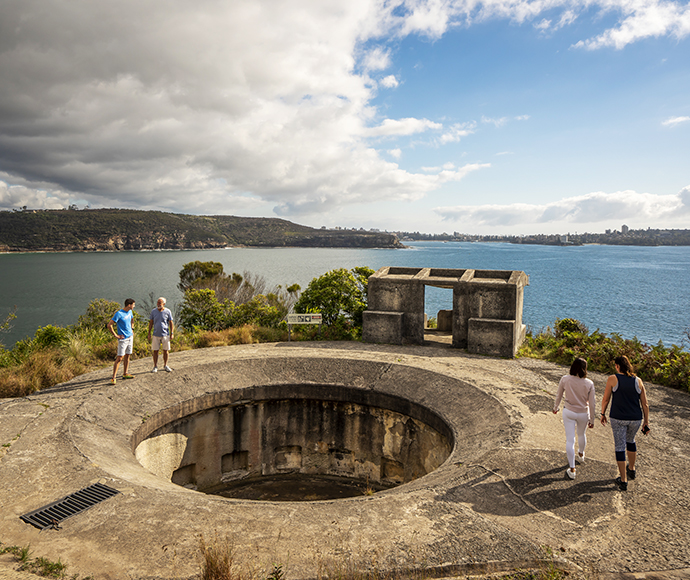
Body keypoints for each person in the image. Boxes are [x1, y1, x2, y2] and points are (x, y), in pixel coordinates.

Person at [600, 355, 650, 491]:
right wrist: (646, 421)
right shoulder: (638, 381)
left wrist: (602, 413)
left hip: (618, 418)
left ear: (617, 366)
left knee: (620, 446)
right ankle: (632, 469)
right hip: (636, 418)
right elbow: (645, 404)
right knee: (631, 440)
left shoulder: (613, 379)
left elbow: (606, 399)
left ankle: (623, 480)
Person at [553, 357, 596, 480]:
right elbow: (592, 404)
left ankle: (572, 469)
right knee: (581, 434)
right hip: (583, 413)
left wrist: (555, 407)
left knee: (570, 440)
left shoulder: (565, 379)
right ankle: (581, 455)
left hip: (569, 412)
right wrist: (592, 419)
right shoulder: (589, 383)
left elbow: (559, 395)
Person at [108, 298, 136, 384]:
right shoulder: (119, 314)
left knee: (128, 355)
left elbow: (132, 319)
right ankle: (113, 377)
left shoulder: (130, 312)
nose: (134, 306)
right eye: (133, 305)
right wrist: (116, 335)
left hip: (130, 337)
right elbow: (109, 325)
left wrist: (132, 328)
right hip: (123, 339)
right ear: (129, 305)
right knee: (120, 358)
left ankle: (125, 373)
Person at [148, 297, 174, 373]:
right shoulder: (153, 311)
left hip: (165, 334)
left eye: (160, 303)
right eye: (157, 302)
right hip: (156, 334)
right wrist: (149, 333)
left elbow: (171, 323)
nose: (158, 304)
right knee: (155, 351)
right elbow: (151, 323)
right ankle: (155, 366)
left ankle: (165, 365)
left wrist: (172, 333)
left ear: (164, 304)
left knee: (165, 351)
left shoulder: (168, 311)